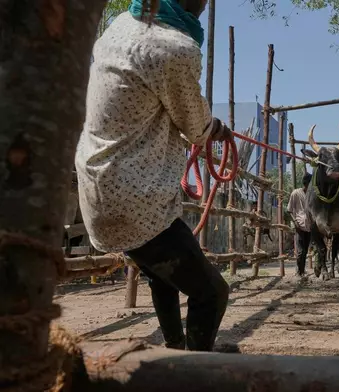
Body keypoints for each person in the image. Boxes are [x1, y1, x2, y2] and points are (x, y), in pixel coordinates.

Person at [75, 0, 233, 352]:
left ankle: (175, 349)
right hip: (136, 200)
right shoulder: (176, 48)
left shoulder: (121, 25)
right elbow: (196, 127)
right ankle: (193, 370)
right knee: (211, 293)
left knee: (165, 276)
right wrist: (217, 129)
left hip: (100, 183)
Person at [287, 173, 313, 277]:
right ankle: (299, 271)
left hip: (309, 226)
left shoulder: (311, 195)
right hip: (299, 225)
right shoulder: (296, 193)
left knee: (305, 250)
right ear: (306, 183)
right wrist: (295, 221)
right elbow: (289, 210)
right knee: (300, 250)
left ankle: (301, 270)